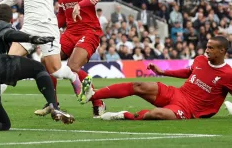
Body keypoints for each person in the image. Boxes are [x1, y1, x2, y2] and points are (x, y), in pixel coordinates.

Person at [0, 4, 74, 134]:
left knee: (4, 123)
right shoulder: (1, 25)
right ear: (11, 20)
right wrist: (31, 38)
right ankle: (54, 106)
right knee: (38, 68)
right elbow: (8, 33)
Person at [80, 36, 232, 120]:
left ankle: (122, 115)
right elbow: (188, 72)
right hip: (177, 93)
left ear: (222, 51)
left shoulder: (227, 74)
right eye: (207, 46)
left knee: (157, 114)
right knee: (139, 85)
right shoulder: (200, 59)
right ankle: (93, 95)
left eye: (211, 48)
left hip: (189, 109)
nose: (207, 50)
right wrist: (162, 72)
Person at [34, 0, 105, 118]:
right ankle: (53, 103)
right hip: (70, 32)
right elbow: (62, 15)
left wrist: (81, 4)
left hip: (89, 31)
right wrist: (48, 27)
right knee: (46, 59)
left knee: (73, 67)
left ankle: (98, 102)